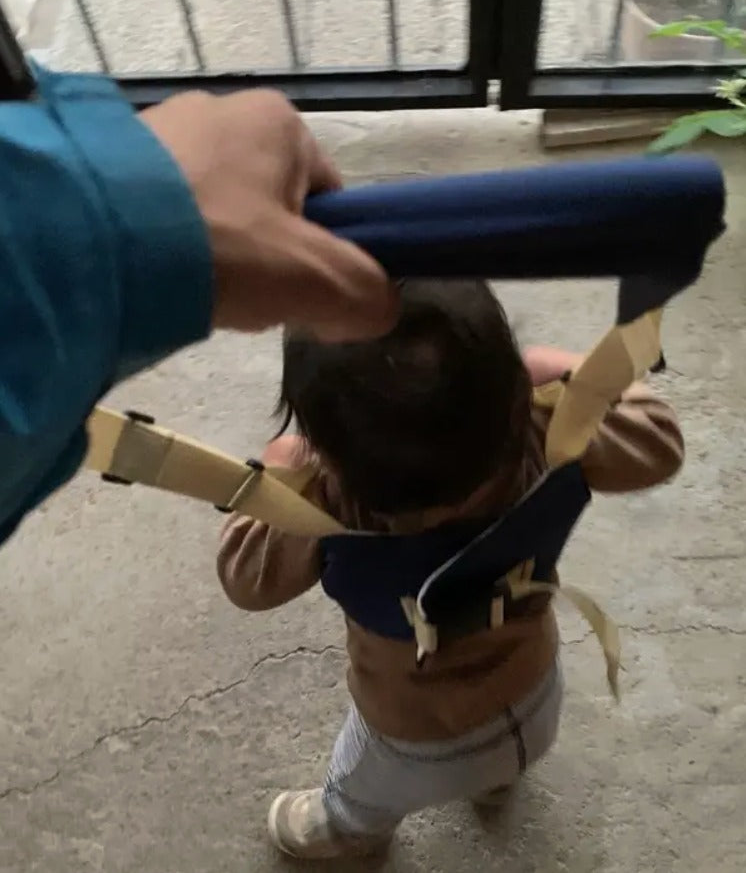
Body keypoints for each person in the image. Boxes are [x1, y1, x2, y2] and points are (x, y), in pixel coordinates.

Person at [216, 279, 684, 860]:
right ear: (516, 390)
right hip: (533, 700)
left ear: (327, 455)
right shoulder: (555, 435)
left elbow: (244, 578)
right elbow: (661, 437)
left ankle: (344, 828)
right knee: (502, 754)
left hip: (408, 742)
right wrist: (558, 370)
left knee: (358, 796)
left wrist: (284, 473)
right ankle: (496, 782)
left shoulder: (322, 506)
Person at [0, 65, 397, 544]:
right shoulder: (495, 518)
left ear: (327, 454)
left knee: (284, 456)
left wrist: (127, 212)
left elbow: (243, 578)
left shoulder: (308, 540)